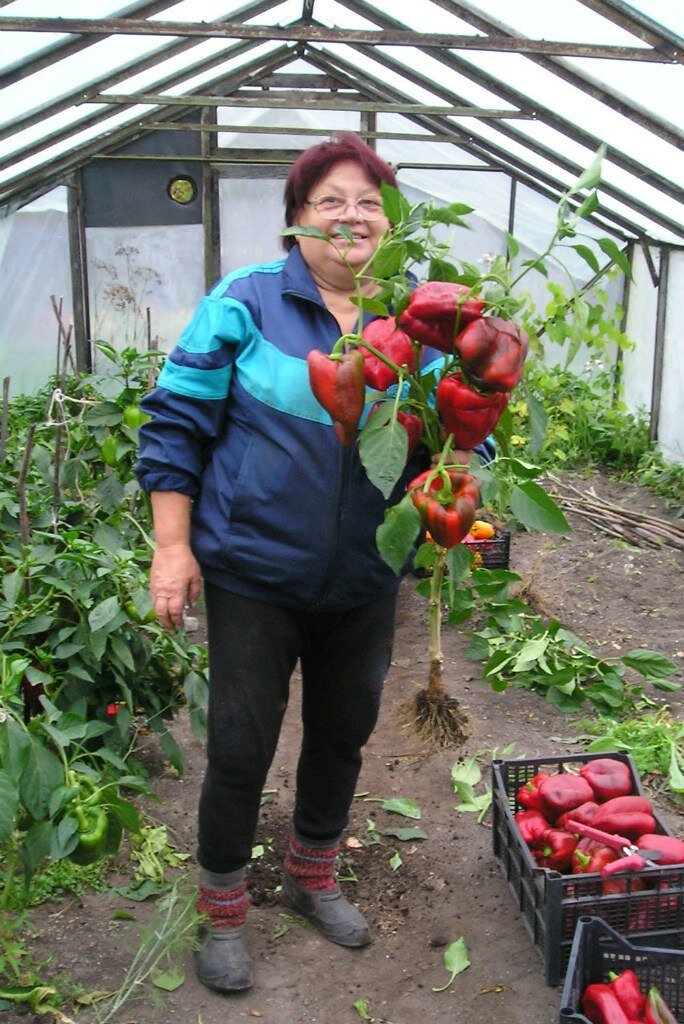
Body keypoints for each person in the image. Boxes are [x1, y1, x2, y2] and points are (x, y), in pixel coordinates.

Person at [135, 133, 441, 994]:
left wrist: (463, 482)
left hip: (365, 577)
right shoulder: (246, 303)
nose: (351, 216)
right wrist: (172, 546)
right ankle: (223, 905)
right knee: (240, 744)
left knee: (343, 732)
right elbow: (175, 425)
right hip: (252, 572)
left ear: (393, 221)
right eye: (329, 201)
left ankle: (312, 878)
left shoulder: (421, 319)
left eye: (369, 202)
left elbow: (454, 439)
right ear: (296, 221)